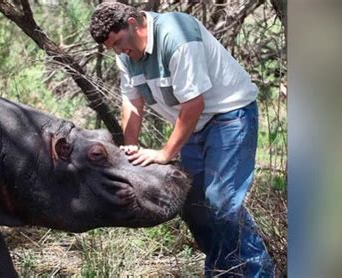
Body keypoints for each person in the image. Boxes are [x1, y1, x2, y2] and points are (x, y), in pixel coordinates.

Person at [89, 2, 275, 277]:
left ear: (132, 22)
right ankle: (223, 271)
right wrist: (129, 149)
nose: (119, 51)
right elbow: (132, 103)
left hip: (230, 115)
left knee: (222, 201)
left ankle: (257, 272)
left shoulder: (176, 35)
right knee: (192, 203)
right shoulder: (125, 54)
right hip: (194, 126)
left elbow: (193, 104)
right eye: (112, 48)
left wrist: (165, 153)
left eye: (119, 42)